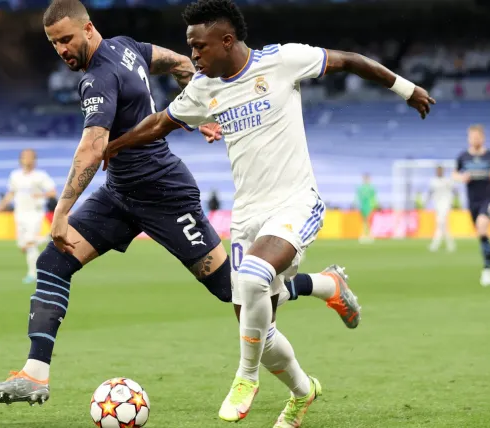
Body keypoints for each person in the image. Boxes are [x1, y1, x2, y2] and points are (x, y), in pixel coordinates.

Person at [0, 0, 357, 408]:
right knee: (54, 260)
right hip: (120, 193)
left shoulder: (99, 78)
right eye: (54, 43)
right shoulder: (127, 47)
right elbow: (180, 62)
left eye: (67, 39)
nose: (62, 50)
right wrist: (202, 105)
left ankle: (324, 284)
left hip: (164, 193)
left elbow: (93, 148)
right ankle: (35, 375)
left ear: (89, 29)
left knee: (234, 291)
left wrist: (61, 211)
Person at [97, 0, 435, 425]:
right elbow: (160, 123)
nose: (193, 56)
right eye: (190, 47)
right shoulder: (204, 88)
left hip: (296, 202)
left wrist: (406, 89)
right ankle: (302, 388)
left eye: (198, 47)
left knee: (255, 280)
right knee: (259, 324)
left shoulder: (282, 60)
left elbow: (348, 60)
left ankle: (245, 375)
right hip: (248, 217)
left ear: (227, 40)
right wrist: (113, 146)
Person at [0, 149, 57, 283]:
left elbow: (52, 192)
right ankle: (46, 238)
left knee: (29, 244)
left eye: (30, 157)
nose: (27, 160)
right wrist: (2, 205)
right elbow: (11, 193)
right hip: (20, 213)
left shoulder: (40, 176)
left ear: (34, 160)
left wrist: (40, 195)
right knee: (23, 245)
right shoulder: (15, 175)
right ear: (20, 159)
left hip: (35, 213)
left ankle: (33, 274)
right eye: (25, 157)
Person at [453, 124, 490, 286]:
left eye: (478, 136)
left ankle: (488, 268)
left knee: (482, 227)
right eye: (473, 137)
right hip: (472, 200)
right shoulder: (463, 157)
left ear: (483, 137)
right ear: (469, 138)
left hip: (488, 198)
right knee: (481, 233)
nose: (476, 139)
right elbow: (455, 173)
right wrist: (461, 178)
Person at [427, 165, 456, 252]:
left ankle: (435, 244)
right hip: (437, 205)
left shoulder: (447, 181)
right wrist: (426, 202)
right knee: (444, 226)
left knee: (440, 223)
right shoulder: (433, 181)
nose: (439, 172)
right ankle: (450, 244)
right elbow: (430, 193)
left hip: (445, 205)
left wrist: (452, 202)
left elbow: (454, 191)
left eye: (440, 171)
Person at [356, 173, 377, 243]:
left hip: (369, 206)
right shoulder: (360, 188)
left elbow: (373, 198)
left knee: (368, 221)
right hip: (363, 206)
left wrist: (374, 205)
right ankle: (364, 235)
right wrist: (357, 204)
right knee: (364, 221)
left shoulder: (371, 188)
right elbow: (358, 198)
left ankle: (369, 235)